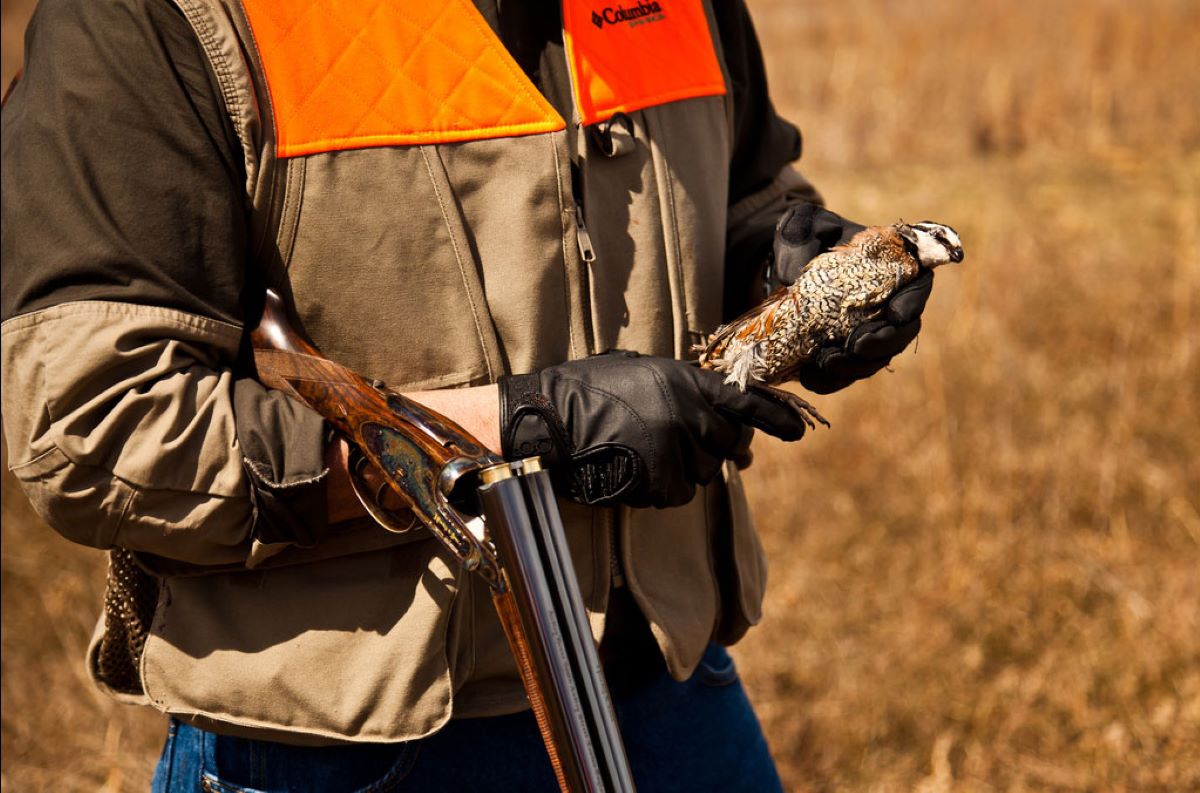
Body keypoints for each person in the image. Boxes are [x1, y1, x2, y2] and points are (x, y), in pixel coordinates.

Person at [0, 0, 932, 790]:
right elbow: (91, 428)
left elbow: (739, 187)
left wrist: (789, 264)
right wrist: (526, 434)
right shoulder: (153, 20)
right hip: (337, 743)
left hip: (666, 695)